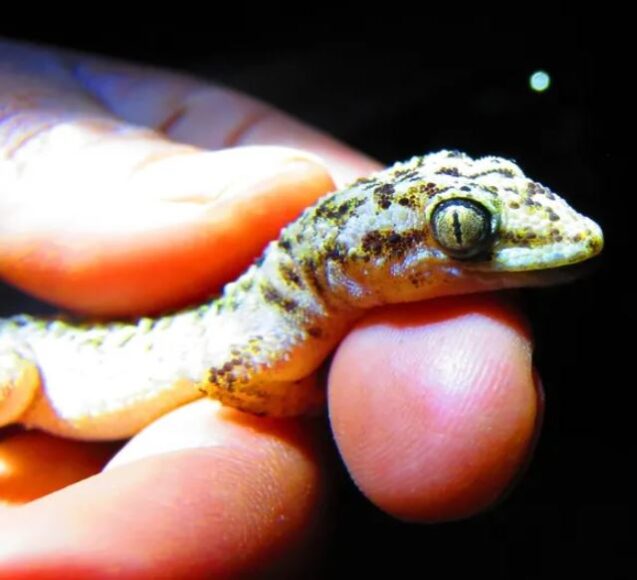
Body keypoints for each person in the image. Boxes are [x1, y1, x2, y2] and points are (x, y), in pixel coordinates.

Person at [0, 39, 541, 575]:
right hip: (33, 357)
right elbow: (225, 375)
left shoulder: (302, 313)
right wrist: (306, 401)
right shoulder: (280, 333)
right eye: (461, 230)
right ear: (359, 257)